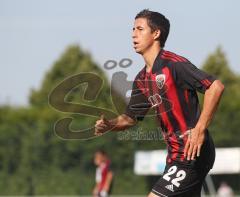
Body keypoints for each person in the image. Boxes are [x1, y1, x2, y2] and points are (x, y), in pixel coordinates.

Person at [95, 9, 224, 197]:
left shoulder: (174, 65)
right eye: (133, 29)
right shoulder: (141, 78)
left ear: (156, 34)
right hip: (174, 157)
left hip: (191, 152)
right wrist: (110, 124)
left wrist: (199, 129)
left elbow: (216, 87)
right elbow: (130, 119)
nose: (133, 34)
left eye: (140, 29)